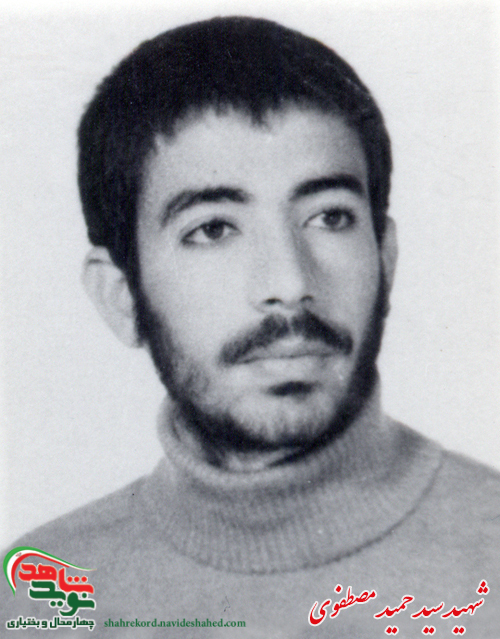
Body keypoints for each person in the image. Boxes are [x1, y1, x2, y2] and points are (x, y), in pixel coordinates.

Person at [2, 16, 499, 637]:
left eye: (330, 217)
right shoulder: (39, 600)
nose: (289, 283)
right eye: (213, 229)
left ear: (385, 258)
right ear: (121, 297)